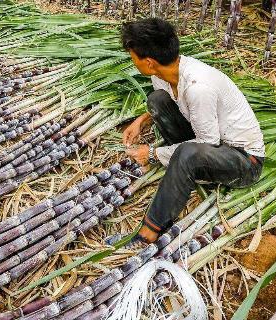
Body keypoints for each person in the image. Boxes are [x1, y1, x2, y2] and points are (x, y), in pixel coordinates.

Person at [107, 18, 266, 247]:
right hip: (212, 142)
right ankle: (192, 170)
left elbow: (208, 143)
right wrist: (142, 121)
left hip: (243, 160)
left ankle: (148, 234)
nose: (132, 61)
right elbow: (170, 102)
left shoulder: (198, 86)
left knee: (187, 153)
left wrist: (153, 153)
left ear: (149, 62)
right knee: (156, 100)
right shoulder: (163, 72)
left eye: (134, 56)